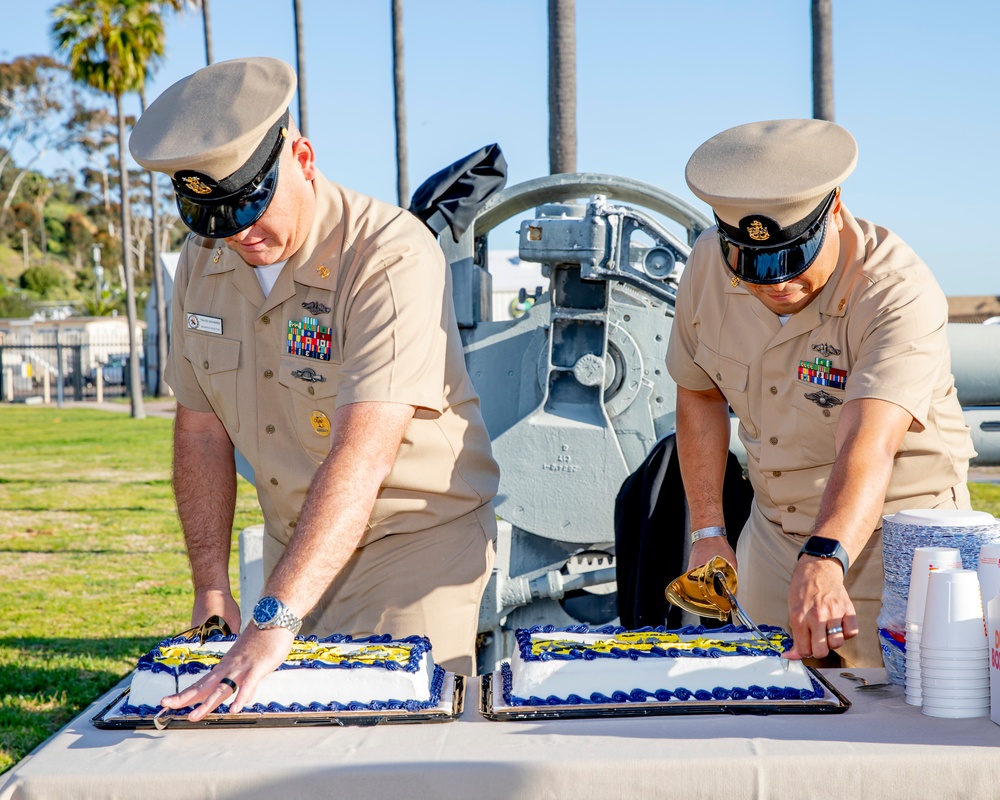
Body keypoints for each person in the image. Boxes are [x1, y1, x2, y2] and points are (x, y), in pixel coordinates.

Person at [129, 57, 500, 719]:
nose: (236, 232)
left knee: (398, 744)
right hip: (295, 542)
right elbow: (200, 427)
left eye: (247, 203)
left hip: (410, 540)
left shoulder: (388, 253)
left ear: (301, 156)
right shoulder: (204, 260)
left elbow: (363, 455)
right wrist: (211, 583)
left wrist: (272, 621)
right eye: (209, 216)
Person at [666, 118, 975, 668]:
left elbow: (869, 443)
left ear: (833, 210)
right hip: (775, 534)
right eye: (753, 268)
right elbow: (699, 393)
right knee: (763, 709)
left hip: (897, 543)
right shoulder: (707, 266)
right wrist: (709, 529)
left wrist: (827, 555)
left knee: (900, 727)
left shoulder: (895, 290)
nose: (776, 284)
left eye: (791, 260)